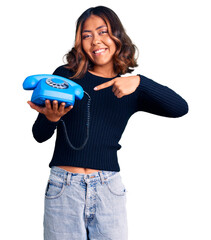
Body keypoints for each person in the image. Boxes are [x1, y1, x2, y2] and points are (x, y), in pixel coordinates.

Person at [27, 6, 189, 240]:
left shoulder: (130, 88)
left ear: (117, 36)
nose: (95, 41)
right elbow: (39, 134)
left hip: (108, 189)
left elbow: (180, 108)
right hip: (64, 187)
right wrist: (51, 119)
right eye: (87, 35)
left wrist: (140, 82)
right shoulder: (65, 77)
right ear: (80, 43)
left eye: (103, 32)